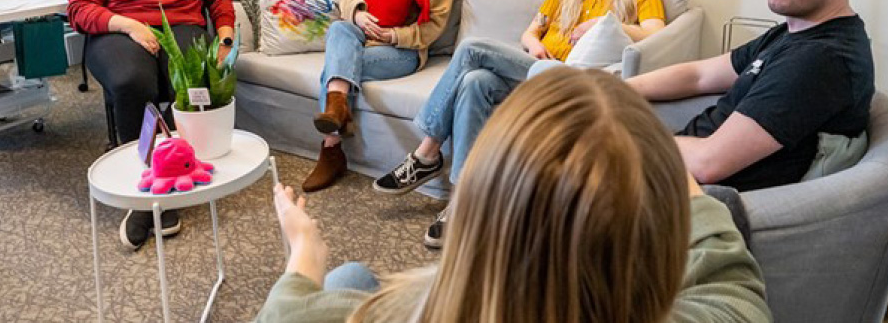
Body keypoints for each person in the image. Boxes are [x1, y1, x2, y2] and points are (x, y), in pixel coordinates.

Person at [256, 68, 772, 322]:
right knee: (477, 73)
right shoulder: (717, 312)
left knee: (347, 277)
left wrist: (304, 248)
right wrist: (647, 151)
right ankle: (429, 153)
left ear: (483, 210)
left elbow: (287, 311)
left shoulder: (411, 310)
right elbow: (728, 268)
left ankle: (428, 156)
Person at [373, 0, 666, 248]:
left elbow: (655, 33)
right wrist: (533, 45)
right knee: (473, 82)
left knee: (470, 49)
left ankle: (426, 153)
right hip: (537, 67)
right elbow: (531, 31)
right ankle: (463, 201)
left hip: (568, 80)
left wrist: (607, 25)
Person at [627, 0, 876, 192]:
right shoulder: (795, 30)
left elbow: (709, 162)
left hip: (689, 196)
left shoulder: (820, 59)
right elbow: (699, 76)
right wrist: (612, 89)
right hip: (675, 164)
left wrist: (621, 135)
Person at [68, 0, 235, 250]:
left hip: (181, 25)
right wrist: (128, 25)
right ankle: (142, 185)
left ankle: (172, 169)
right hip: (119, 29)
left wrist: (224, 38)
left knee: (193, 83)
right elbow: (79, 8)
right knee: (131, 82)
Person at [303, 0, 454, 192]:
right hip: (363, 38)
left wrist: (393, 35)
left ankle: (331, 146)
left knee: (336, 69)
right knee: (339, 27)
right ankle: (336, 116)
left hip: (403, 52)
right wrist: (359, 14)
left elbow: (435, 26)